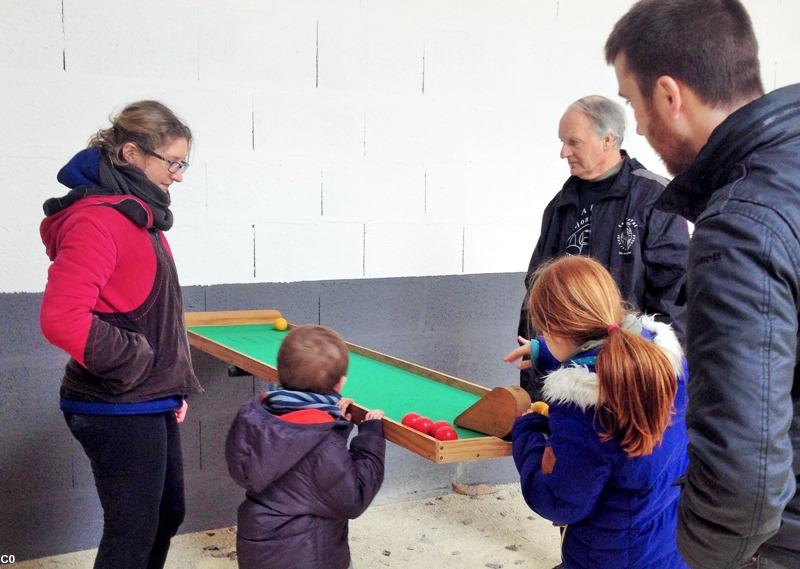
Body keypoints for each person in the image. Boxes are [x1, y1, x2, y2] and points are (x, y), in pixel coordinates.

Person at [605, 1, 800, 567]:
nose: (638, 126)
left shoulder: (742, 224)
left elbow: (746, 478)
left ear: (669, 95)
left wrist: (708, 551)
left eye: (632, 103)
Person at [39, 100, 202, 569]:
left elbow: (151, 313)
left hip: (149, 397)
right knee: (131, 533)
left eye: (182, 163)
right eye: (172, 162)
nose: (179, 175)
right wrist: (142, 364)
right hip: (113, 403)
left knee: (167, 513)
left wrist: (169, 382)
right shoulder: (98, 220)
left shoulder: (140, 216)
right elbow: (61, 318)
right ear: (132, 153)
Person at [506, 256, 688, 569]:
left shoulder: (583, 409)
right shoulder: (661, 360)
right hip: (667, 545)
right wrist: (545, 352)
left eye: (545, 333)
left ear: (554, 329)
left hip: (607, 556)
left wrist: (527, 433)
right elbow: (601, 353)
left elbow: (560, 501)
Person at [518, 95, 689, 400]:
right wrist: (535, 388)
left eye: (574, 142)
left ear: (608, 139)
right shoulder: (559, 207)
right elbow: (537, 292)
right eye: (562, 141)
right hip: (566, 382)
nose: (563, 152)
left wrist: (648, 378)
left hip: (628, 381)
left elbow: (674, 301)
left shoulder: (655, 198)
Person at [225, 325, 386, 569]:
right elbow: (353, 498)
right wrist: (370, 439)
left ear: (281, 375)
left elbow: (299, 455)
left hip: (258, 550)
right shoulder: (323, 445)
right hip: (309, 555)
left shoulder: (255, 418)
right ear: (340, 384)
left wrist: (336, 427)